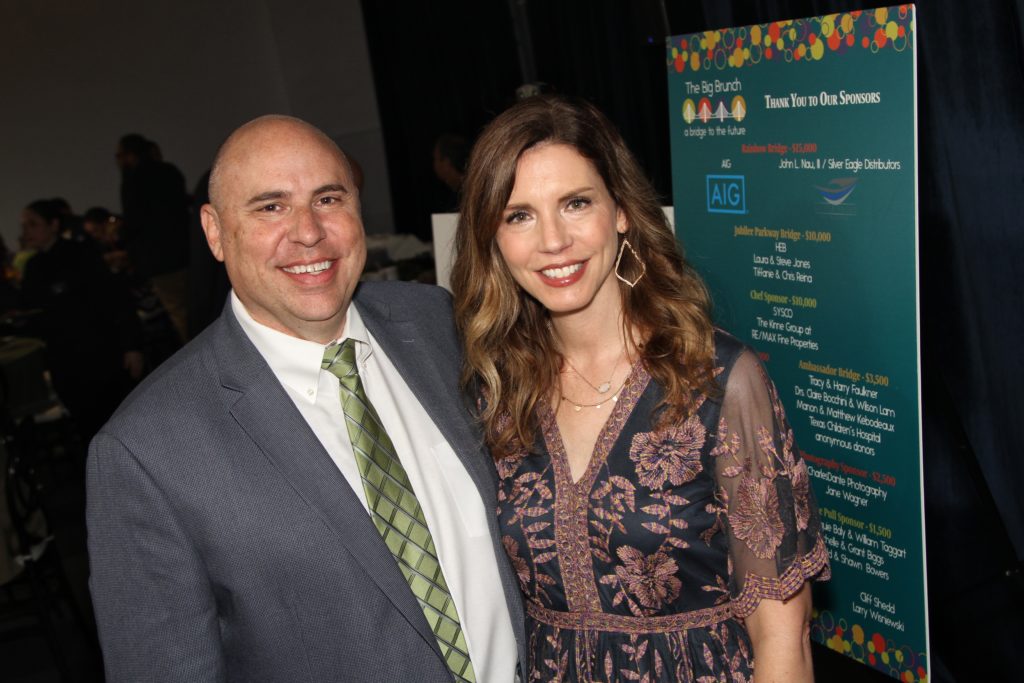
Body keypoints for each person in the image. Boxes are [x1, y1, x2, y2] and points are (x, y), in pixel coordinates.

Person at [87, 115, 525, 683]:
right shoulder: (144, 452)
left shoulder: (436, 324)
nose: (309, 232)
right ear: (215, 232)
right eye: (270, 207)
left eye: (328, 198)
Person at [450, 96, 829, 682]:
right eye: (518, 215)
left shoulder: (716, 379)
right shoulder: (497, 390)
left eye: (575, 204)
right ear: (492, 238)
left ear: (622, 210)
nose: (552, 241)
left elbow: (784, 634)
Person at [17, 199, 143, 441]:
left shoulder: (79, 254)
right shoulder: (33, 267)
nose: (26, 232)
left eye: (33, 224)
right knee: (91, 433)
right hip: (66, 363)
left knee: (124, 425)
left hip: (100, 356)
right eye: (24, 226)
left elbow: (114, 299)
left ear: (53, 225)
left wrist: (131, 345)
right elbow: (31, 313)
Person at [116, 132, 191, 342]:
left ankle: (208, 369)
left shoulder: (133, 180)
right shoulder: (169, 172)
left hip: (160, 259)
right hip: (187, 250)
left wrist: (128, 246)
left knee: (180, 314)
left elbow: (135, 220)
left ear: (130, 154)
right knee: (202, 307)